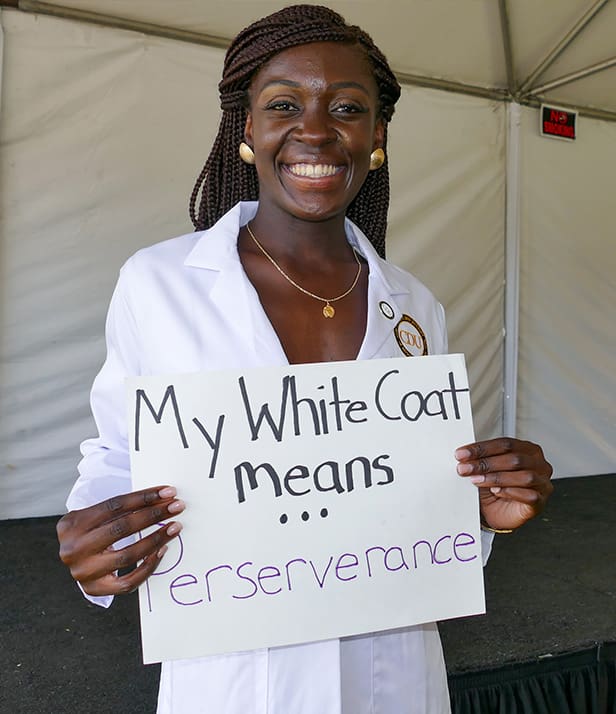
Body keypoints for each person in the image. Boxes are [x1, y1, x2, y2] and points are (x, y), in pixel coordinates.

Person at [57, 5, 553, 713]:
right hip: (232, 675)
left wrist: (486, 513)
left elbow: (428, 497)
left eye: (347, 108)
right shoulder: (158, 284)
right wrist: (94, 547)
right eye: (284, 104)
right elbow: (115, 456)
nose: (316, 129)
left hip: (395, 673)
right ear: (249, 130)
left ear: (376, 137)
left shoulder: (415, 305)